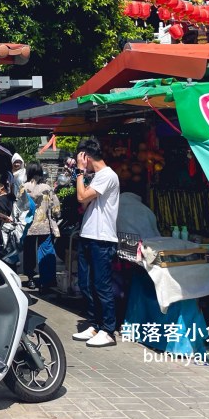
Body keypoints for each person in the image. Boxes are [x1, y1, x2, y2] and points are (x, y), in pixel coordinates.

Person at [70, 138, 120, 348]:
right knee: (86, 283)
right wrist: (79, 173)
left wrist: (80, 173)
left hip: (102, 238)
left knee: (101, 286)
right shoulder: (98, 176)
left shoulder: (108, 175)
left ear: (87, 157)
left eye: (81, 159)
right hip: (89, 236)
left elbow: (82, 197)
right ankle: (94, 324)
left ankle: (108, 330)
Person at [22, 162, 61, 290]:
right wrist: (56, 214)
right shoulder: (47, 188)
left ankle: (31, 278)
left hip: (28, 226)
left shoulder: (24, 187)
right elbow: (55, 207)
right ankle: (47, 280)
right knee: (46, 251)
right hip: (43, 224)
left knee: (29, 253)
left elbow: (19, 206)